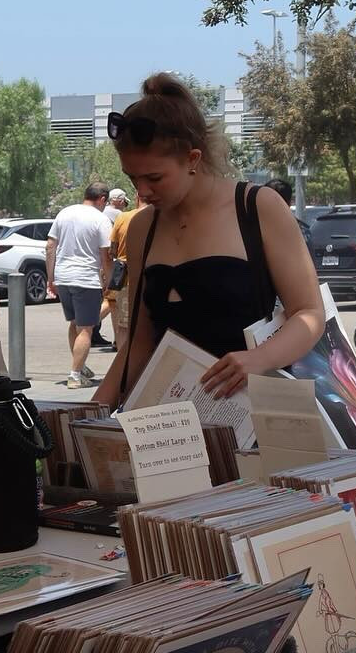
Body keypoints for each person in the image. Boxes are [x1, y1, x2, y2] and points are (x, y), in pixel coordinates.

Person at [97, 76, 323, 407]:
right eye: (132, 177)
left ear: (192, 159)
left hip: (253, 414)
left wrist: (258, 359)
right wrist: (88, 415)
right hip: (173, 420)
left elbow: (309, 314)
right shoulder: (142, 226)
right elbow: (139, 344)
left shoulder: (257, 207)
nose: (142, 191)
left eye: (154, 177)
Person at [46, 181, 112, 388]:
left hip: (63, 277)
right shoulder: (101, 219)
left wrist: (51, 278)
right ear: (102, 199)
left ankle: (79, 366)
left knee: (74, 323)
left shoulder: (64, 213)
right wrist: (109, 281)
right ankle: (75, 376)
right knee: (86, 329)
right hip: (85, 279)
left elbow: (50, 247)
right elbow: (105, 255)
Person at [105, 187, 141, 360]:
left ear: (137, 197)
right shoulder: (160, 216)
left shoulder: (123, 217)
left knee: (124, 326)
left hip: (125, 278)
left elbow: (112, 250)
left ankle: (123, 362)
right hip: (153, 276)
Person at [93, 186, 130, 350]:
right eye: (124, 203)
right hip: (115, 266)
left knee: (112, 302)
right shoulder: (120, 216)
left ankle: (116, 339)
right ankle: (88, 324)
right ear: (119, 201)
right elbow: (112, 247)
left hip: (102, 263)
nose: (124, 206)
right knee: (111, 301)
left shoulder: (100, 213)